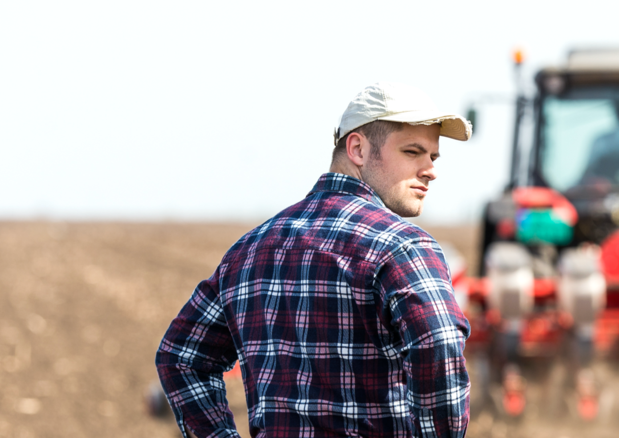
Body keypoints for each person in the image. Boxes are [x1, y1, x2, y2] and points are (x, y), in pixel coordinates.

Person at [156, 82, 472, 438]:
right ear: (357, 148)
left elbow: (180, 356)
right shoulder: (404, 247)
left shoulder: (249, 250)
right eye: (413, 152)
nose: (430, 170)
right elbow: (439, 345)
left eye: (433, 156)